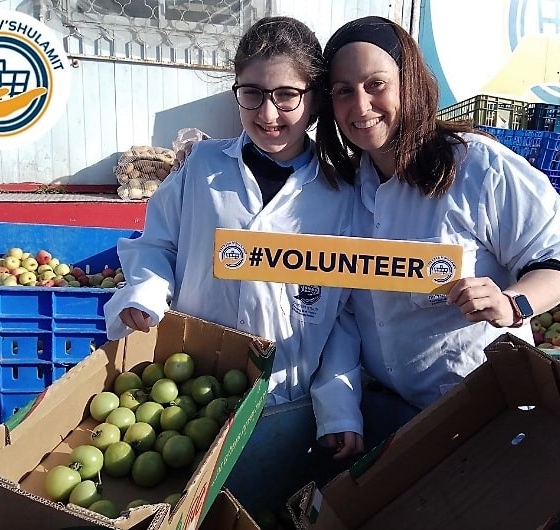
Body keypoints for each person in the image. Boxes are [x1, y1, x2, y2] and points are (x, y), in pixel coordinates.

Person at [316, 16, 560, 449]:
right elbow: (345, 314)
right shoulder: (345, 190)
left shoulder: (475, 168)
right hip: (394, 415)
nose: (361, 105)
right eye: (343, 91)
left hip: (486, 414)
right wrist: (340, 408)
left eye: (376, 84)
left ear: (409, 83)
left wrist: (511, 302)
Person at [103, 16, 364, 459]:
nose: (267, 113)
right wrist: (146, 293)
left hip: (284, 398)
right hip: (187, 391)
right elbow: (156, 244)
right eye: (253, 94)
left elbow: (346, 311)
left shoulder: (341, 196)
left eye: (286, 95)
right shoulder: (201, 166)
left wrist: (339, 408)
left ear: (314, 100)